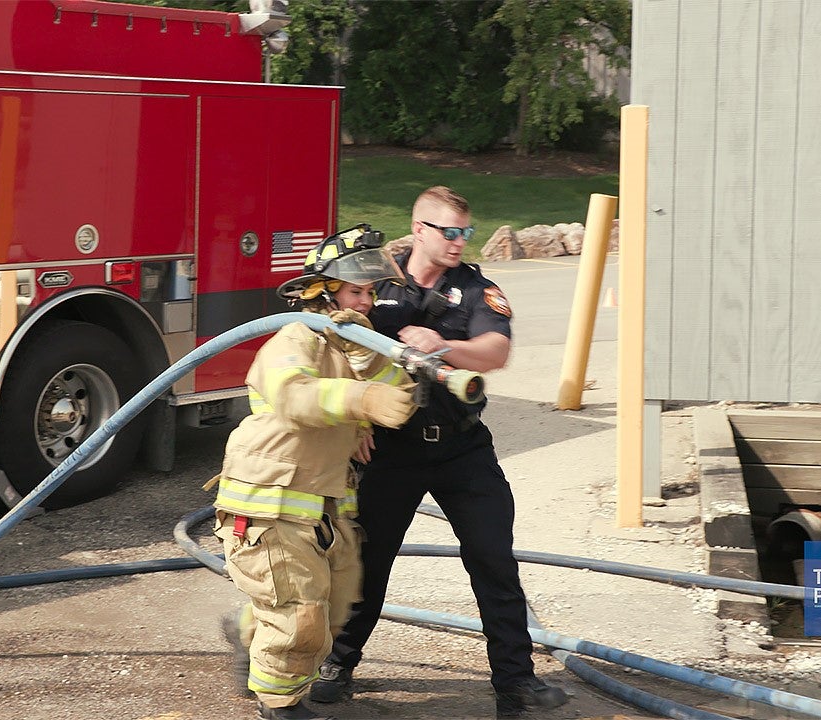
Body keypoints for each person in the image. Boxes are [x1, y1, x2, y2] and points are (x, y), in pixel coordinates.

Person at [310, 187, 569, 718]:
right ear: (420, 228)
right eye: (448, 231)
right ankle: (338, 662)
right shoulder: (373, 280)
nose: (458, 242)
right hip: (391, 451)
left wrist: (443, 345)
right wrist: (353, 420)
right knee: (365, 563)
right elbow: (334, 347)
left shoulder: (475, 289)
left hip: (461, 450)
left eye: (465, 233)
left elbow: (496, 351)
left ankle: (515, 685)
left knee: (494, 562)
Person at [211, 225, 418, 720]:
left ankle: (250, 633)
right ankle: (280, 706)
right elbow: (292, 395)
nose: (366, 301)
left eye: (371, 291)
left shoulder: (357, 349)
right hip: (272, 500)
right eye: (355, 291)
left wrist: (369, 365)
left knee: (336, 604)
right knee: (303, 619)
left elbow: (402, 394)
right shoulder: (296, 337)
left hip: (324, 503)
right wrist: (359, 400)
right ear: (324, 292)